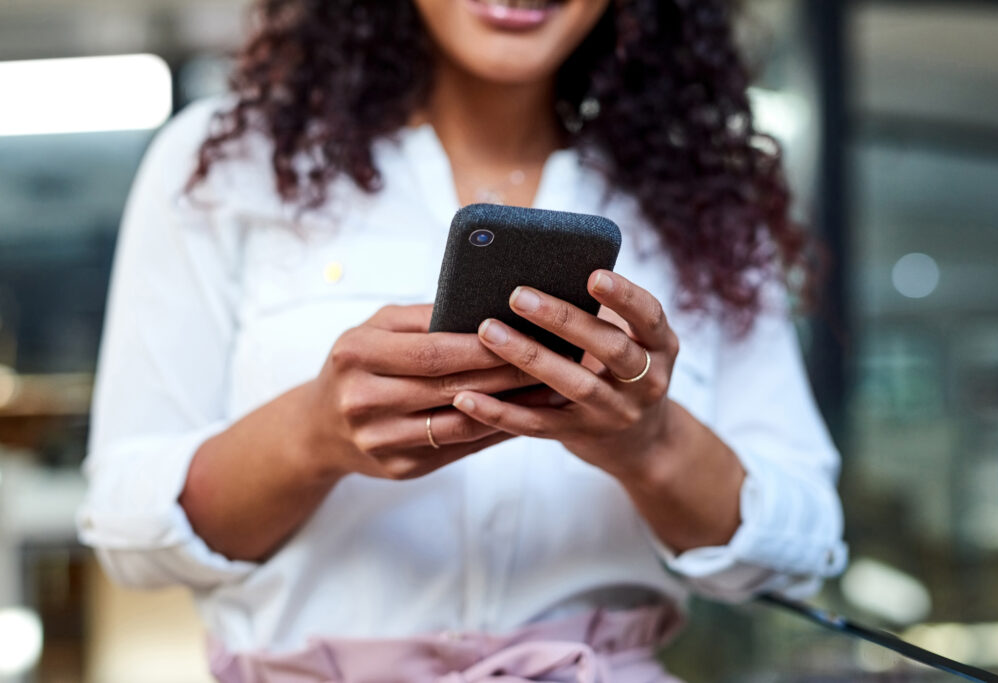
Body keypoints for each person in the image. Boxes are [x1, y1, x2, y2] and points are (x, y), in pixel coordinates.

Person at [78, 0, 847, 680]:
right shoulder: (225, 167)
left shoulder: (702, 206)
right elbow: (127, 528)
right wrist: (310, 436)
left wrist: (651, 446)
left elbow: (803, 543)